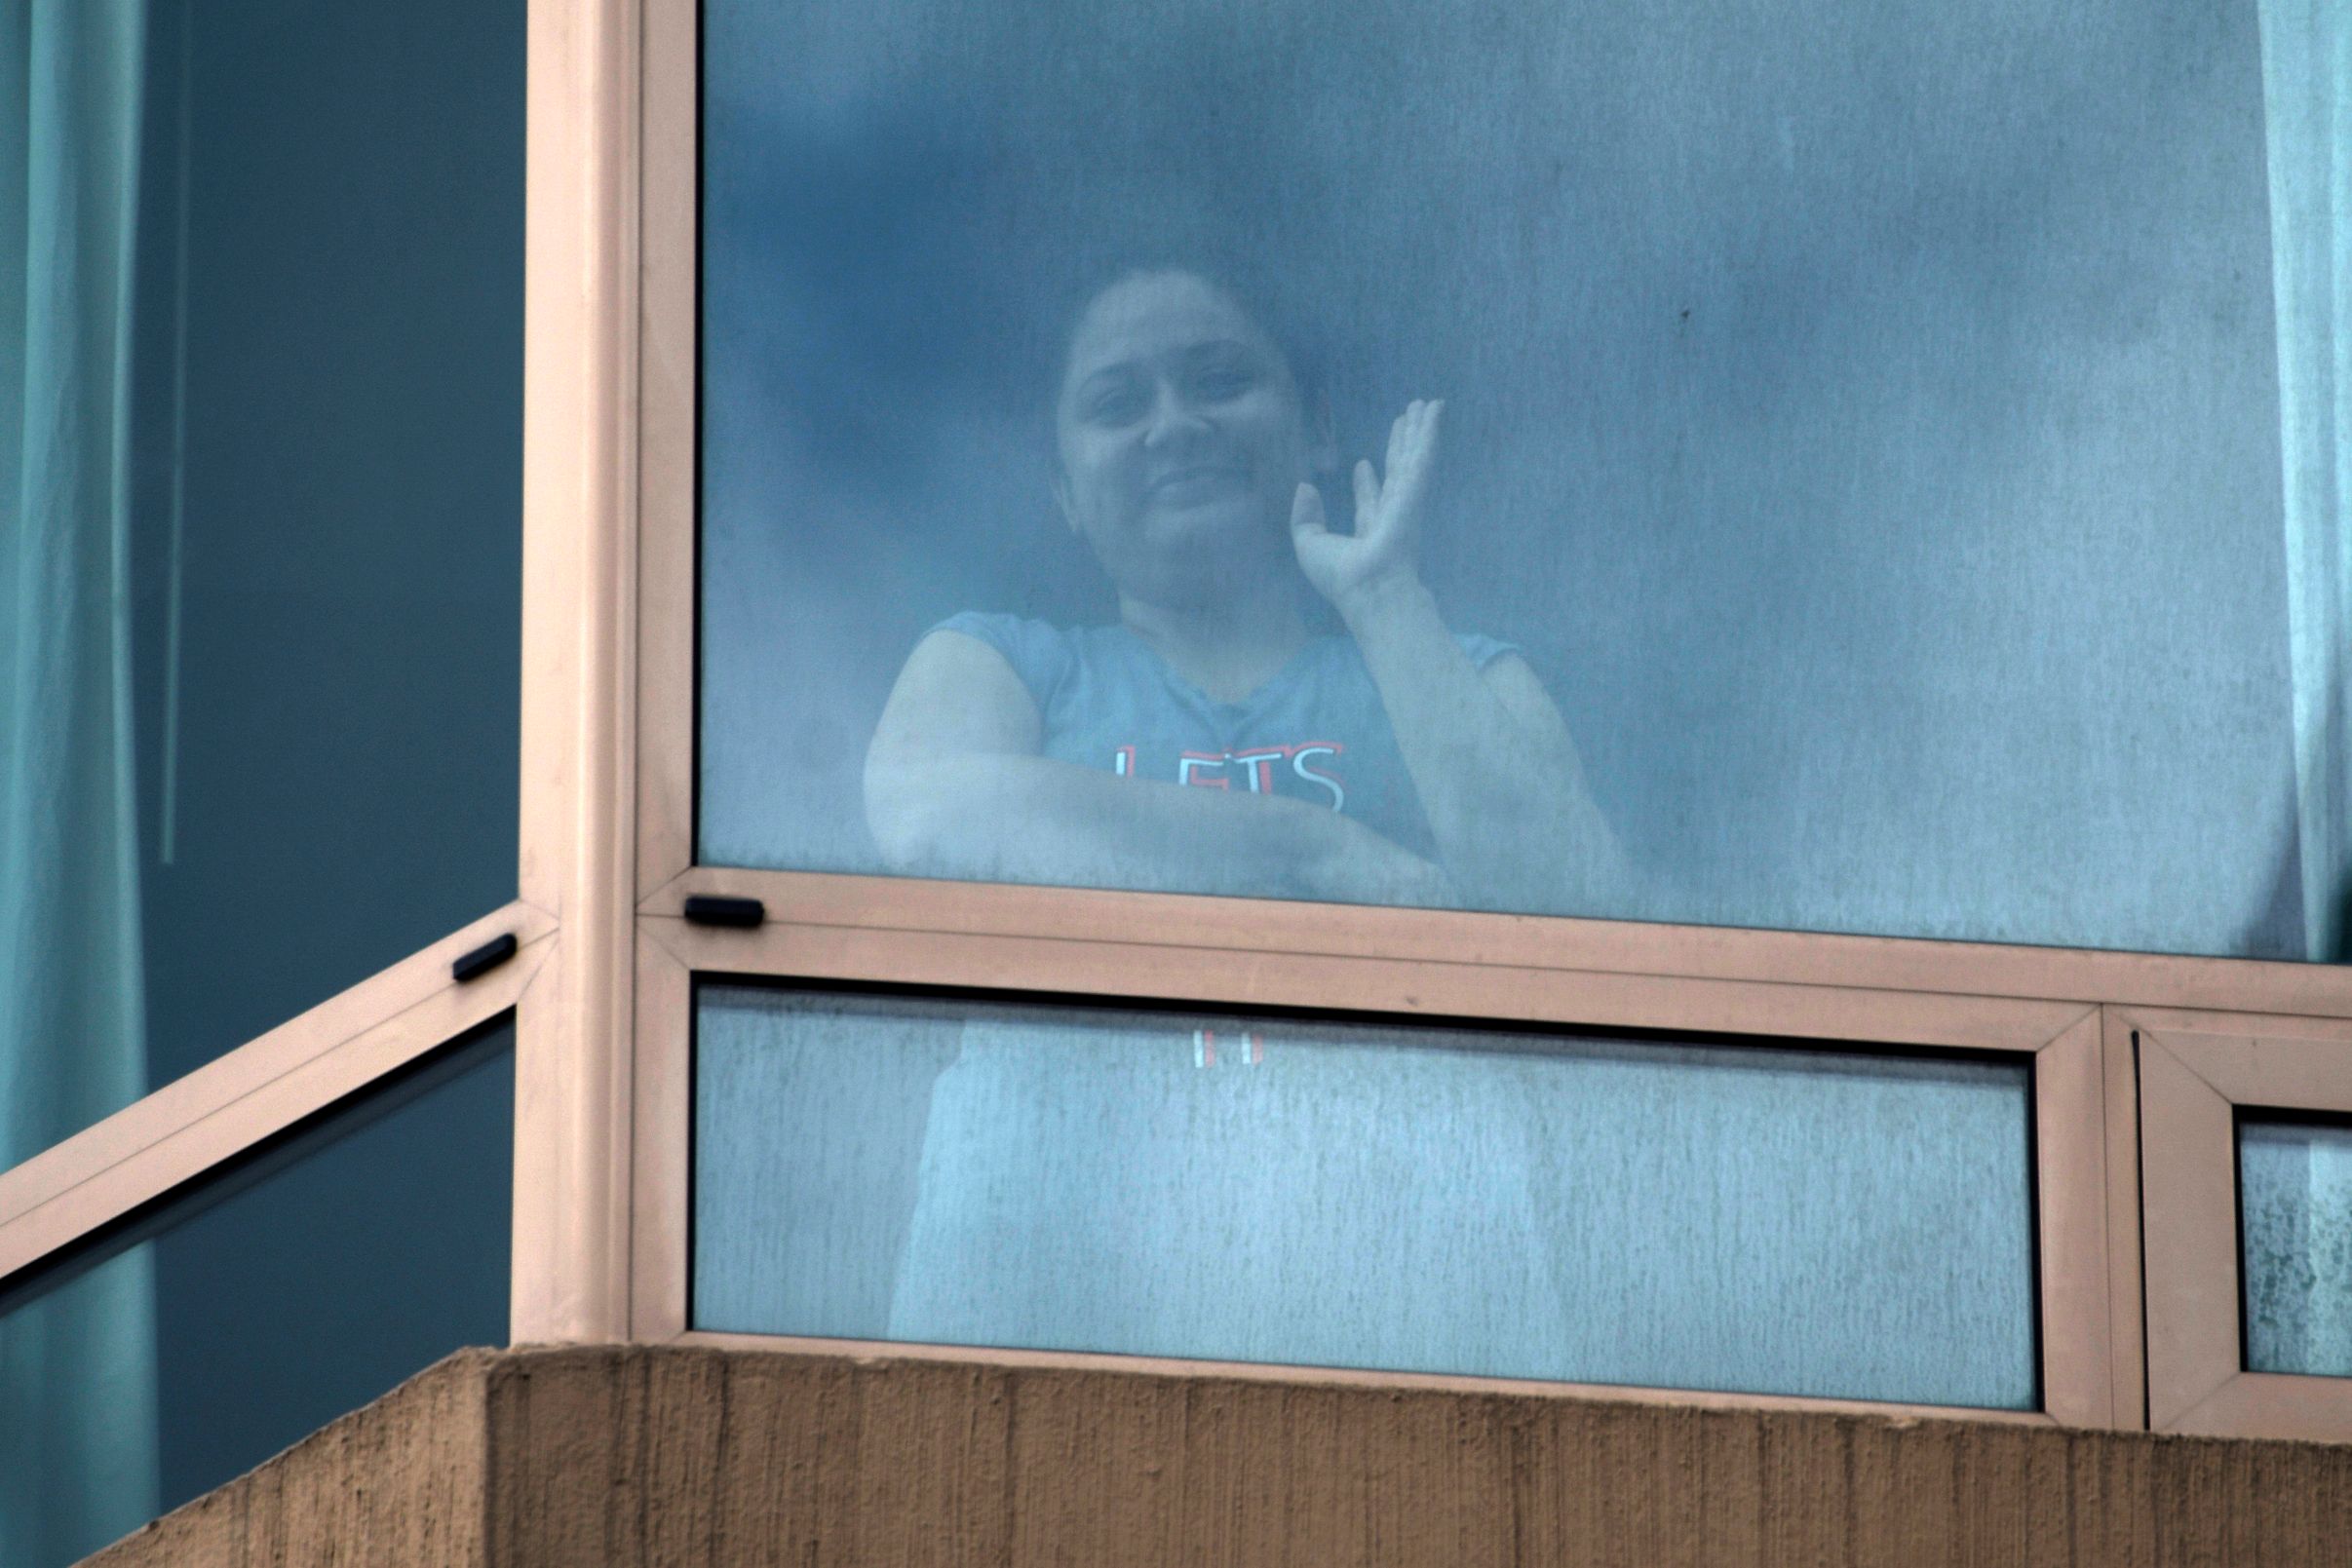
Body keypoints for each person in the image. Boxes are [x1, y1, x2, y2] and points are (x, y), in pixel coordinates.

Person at [865, 262, 1624, 913]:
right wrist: (1315, 851)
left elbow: (1577, 907)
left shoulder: (1466, 676)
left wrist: (1385, 600)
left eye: (1220, 381)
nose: (1174, 425)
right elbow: (929, 817)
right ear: (1063, 488)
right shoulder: (994, 663)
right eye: (1117, 404)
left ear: (1317, 431)